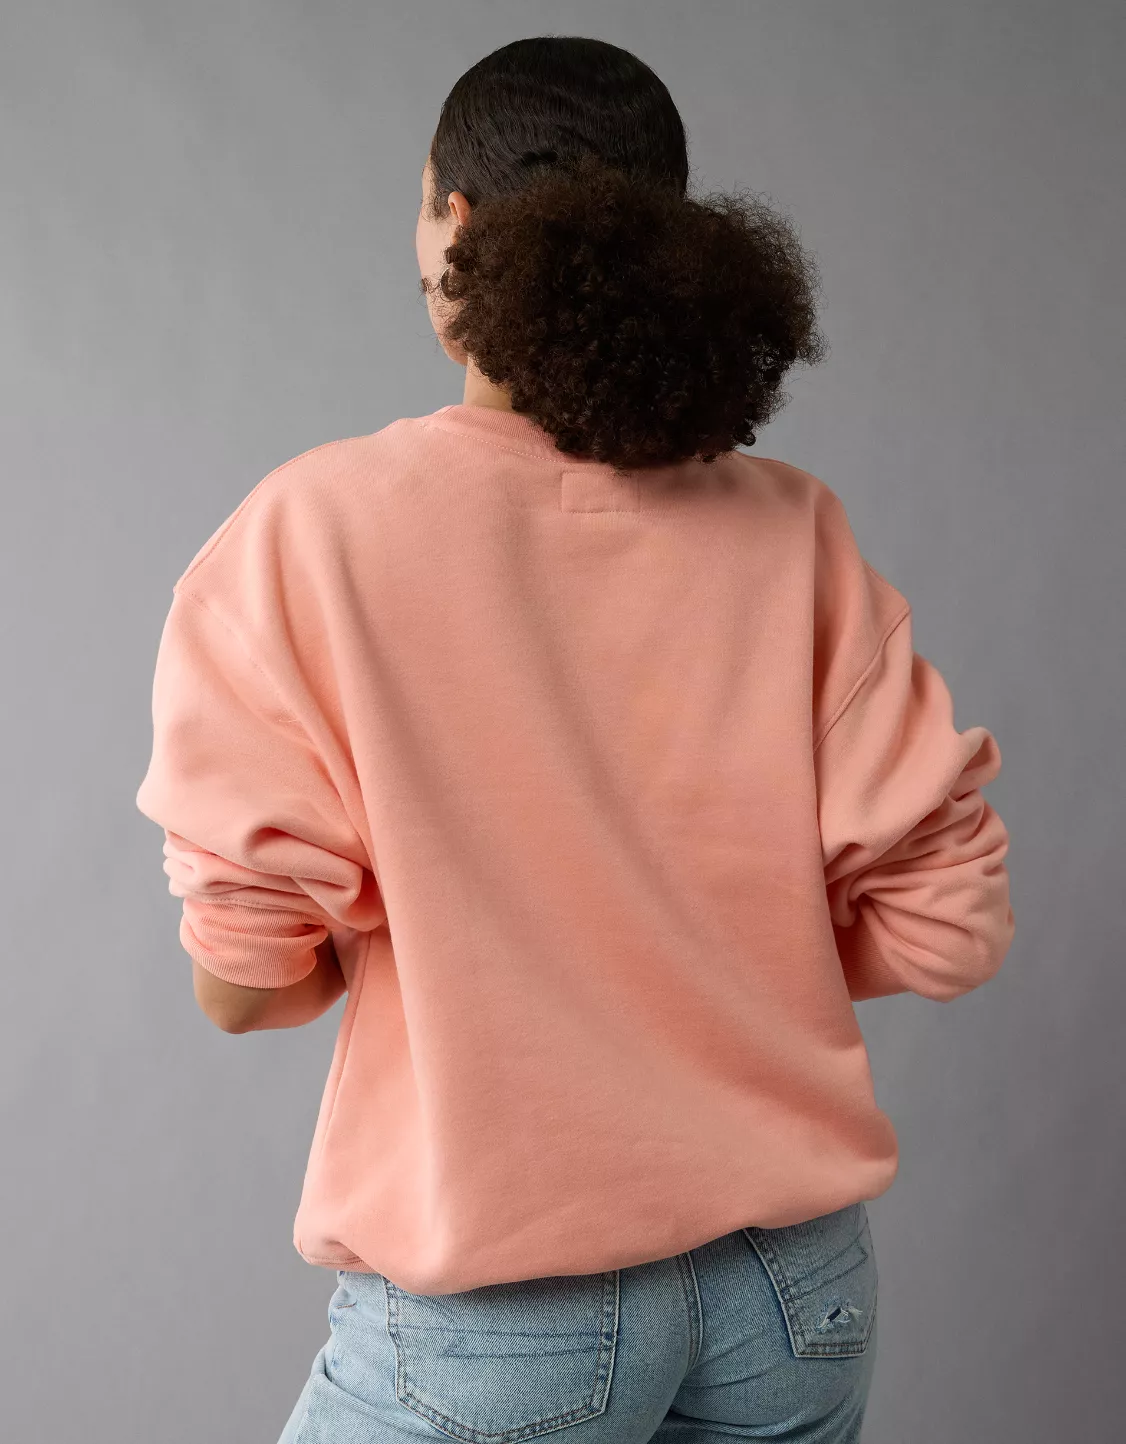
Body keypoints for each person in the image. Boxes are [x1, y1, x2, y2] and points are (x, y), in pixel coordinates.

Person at [135, 34, 1015, 1444]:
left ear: (454, 222)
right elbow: (947, 931)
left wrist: (457, 932)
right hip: (792, 1298)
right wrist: (721, 953)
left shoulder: (315, 533)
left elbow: (241, 986)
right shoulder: (790, 529)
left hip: (505, 1314)